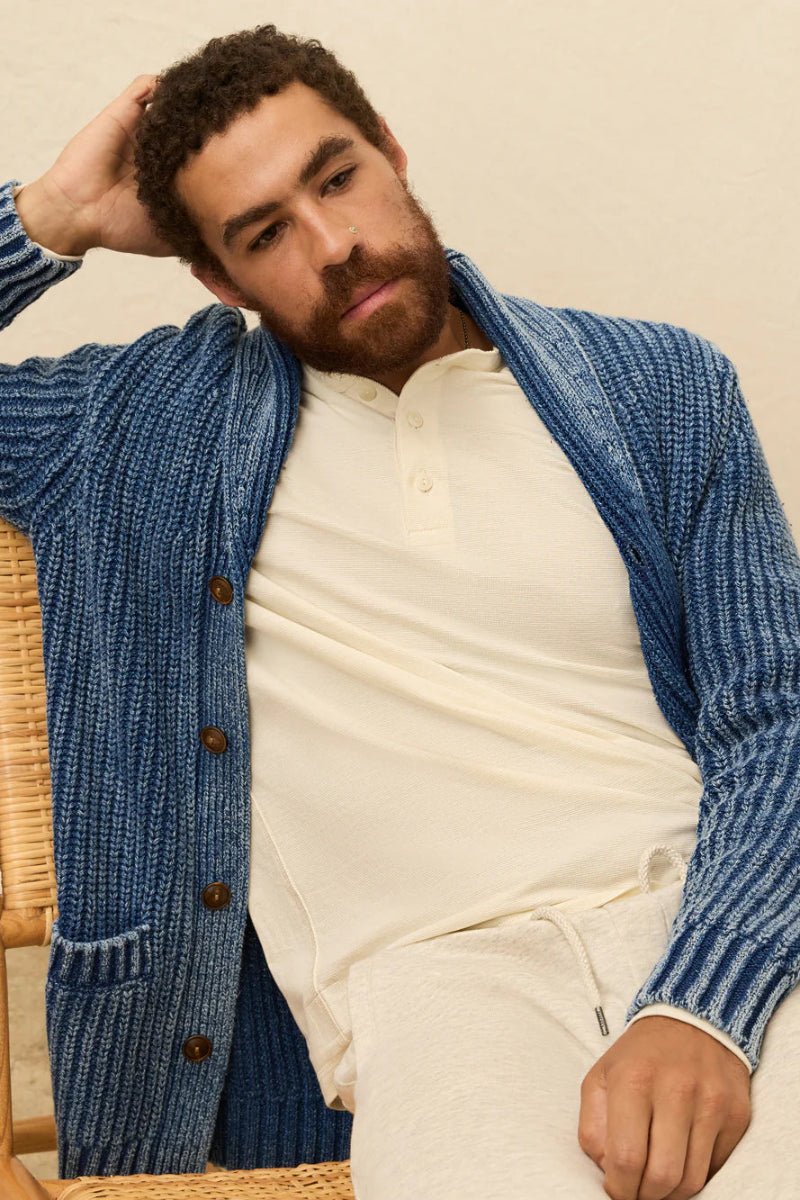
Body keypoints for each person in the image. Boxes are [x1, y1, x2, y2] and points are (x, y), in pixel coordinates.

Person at [2, 23, 799, 1200]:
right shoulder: (129, 431)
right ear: (218, 280)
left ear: (390, 149)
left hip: (704, 924)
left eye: (336, 179)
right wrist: (49, 213)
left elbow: (770, 714)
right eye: (263, 232)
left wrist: (707, 1000)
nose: (334, 244)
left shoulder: (658, 386)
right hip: (434, 993)